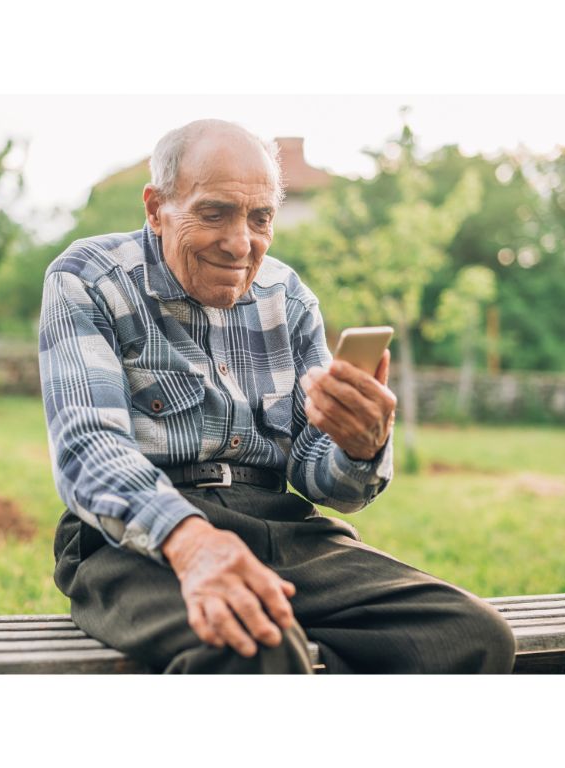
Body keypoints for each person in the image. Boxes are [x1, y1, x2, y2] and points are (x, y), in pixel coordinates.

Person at [39, 119, 515, 673]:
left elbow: (321, 478)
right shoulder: (88, 279)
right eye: (214, 213)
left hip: (280, 527)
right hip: (135, 544)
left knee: (469, 635)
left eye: (260, 218)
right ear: (155, 208)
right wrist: (192, 543)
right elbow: (88, 450)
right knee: (252, 644)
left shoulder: (287, 297)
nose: (241, 243)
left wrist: (358, 448)